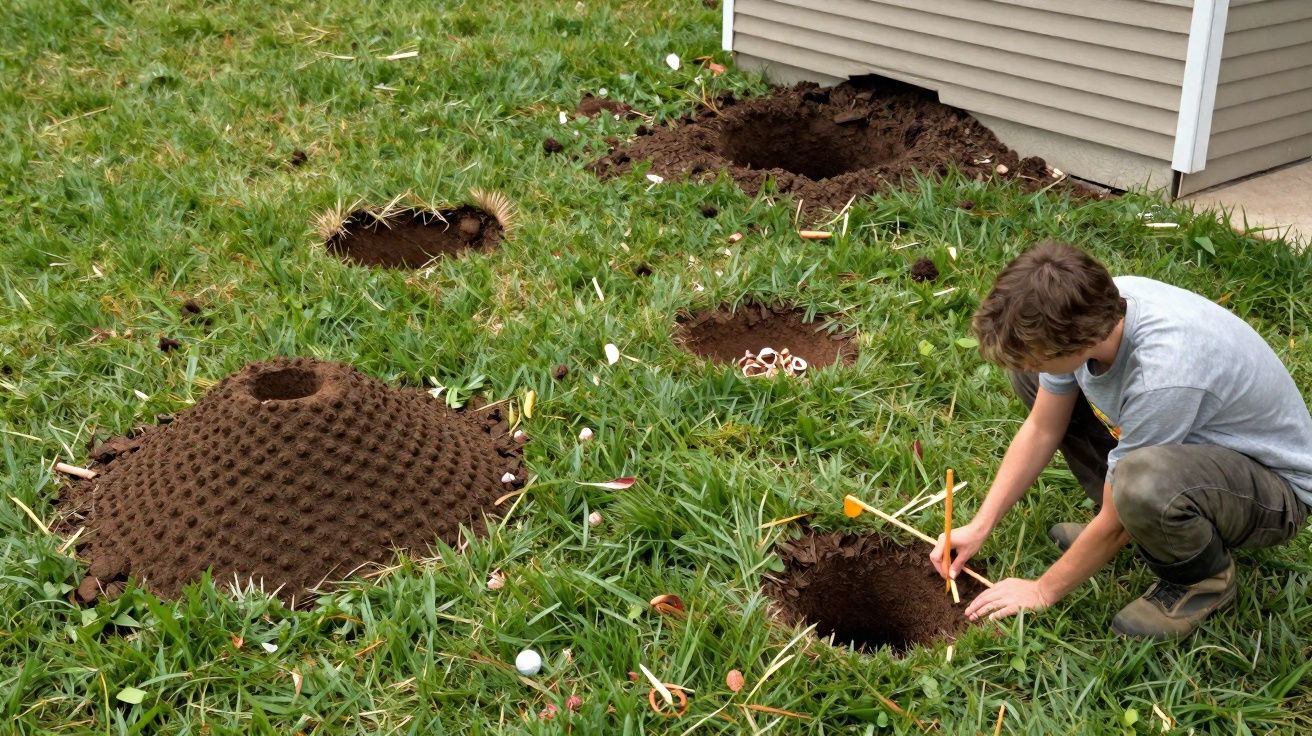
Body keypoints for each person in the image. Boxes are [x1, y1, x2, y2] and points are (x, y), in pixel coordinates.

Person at [930, 241, 1312, 638]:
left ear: (1080, 342)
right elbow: (1044, 427)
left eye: (1039, 356)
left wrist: (1042, 590)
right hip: (1194, 453)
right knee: (1032, 379)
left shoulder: (1161, 374)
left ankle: (1203, 580)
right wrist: (980, 525)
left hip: (1274, 492)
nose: (1031, 364)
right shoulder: (1088, 310)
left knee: (1140, 483)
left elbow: (1117, 520)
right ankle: (1138, 519)